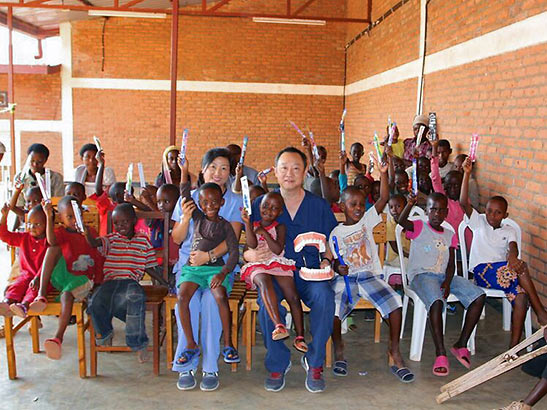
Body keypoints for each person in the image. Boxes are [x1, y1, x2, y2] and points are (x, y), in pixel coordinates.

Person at [248, 147, 337, 393]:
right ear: (275, 171)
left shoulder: (318, 205)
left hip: (308, 271)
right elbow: (244, 243)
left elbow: (331, 240)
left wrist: (327, 261)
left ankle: (315, 361)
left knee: (325, 297)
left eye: (296, 168)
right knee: (269, 302)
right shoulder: (260, 203)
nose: (289, 173)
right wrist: (251, 254)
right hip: (275, 272)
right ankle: (278, 362)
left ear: (305, 172)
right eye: (284, 167)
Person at [329, 159, 414, 383]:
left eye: (360, 204)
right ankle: (339, 349)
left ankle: (394, 352)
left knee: (396, 304)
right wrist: (338, 267)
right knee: (334, 310)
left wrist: (384, 173)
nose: (357, 208)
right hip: (346, 279)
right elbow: (333, 261)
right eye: (352, 204)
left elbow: (384, 198)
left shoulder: (367, 220)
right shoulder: (336, 233)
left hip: (369, 276)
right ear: (341, 206)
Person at [171, 147, 243, 392]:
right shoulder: (191, 199)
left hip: (218, 267)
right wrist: (184, 218)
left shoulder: (233, 201)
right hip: (188, 268)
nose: (218, 172)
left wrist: (208, 256)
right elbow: (177, 239)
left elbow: (232, 239)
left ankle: (210, 366)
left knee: (212, 303)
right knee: (188, 302)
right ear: (202, 170)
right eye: (213, 167)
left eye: (224, 168)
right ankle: (186, 364)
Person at [460, 158, 547, 347]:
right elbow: (463, 202)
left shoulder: (509, 229)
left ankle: (513, 348)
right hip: (482, 272)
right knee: (519, 268)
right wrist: (467, 174)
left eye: (497, 213)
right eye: (489, 211)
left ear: (505, 215)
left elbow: (513, 248)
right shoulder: (478, 223)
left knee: (521, 297)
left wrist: (513, 256)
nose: (492, 215)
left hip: (505, 273)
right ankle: (541, 312)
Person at [398, 192, 485, 376]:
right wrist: (409, 203)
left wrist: (447, 281)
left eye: (441, 211)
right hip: (422, 276)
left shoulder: (450, 234)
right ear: (426, 211)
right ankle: (440, 353)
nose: (437, 214)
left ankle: (461, 343)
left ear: (446, 213)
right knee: (436, 302)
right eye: (433, 209)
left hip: (445, 276)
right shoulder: (419, 226)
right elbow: (401, 221)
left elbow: (451, 263)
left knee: (478, 296)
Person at [30, 196, 103, 360]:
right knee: (53, 249)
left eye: (77, 214)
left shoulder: (89, 231)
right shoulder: (61, 233)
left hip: (83, 279)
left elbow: (98, 255)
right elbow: (51, 241)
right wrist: (49, 217)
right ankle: (41, 295)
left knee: (66, 296)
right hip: (65, 276)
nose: (74, 219)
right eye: (69, 216)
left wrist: (99, 282)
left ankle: (58, 337)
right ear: (61, 219)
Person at [86, 203, 160, 363]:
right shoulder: (111, 239)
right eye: (117, 223)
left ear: (133, 220)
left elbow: (150, 266)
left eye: (124, 222)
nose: (120, 226)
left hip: (130, 282)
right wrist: (86, 231)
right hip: (110, 282)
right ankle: (104, 332)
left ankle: (138, 344)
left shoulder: (143, 241)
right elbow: (93, 243)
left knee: (135, 298)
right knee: (94, 301)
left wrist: (163, 282)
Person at [241, 192, 306, 351]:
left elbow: (277, 249)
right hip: (258, 263)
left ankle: (299, 336)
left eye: (274, 208)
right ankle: (279, 325)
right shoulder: (254, 225)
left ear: (280, 212)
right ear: (259, 207)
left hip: (277, 262)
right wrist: (248, 224)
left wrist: (264, 233)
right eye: (265, 206)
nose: (268, 211)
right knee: (263, 280)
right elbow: (251, 245)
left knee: (293, 295)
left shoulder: (280, 227)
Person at [0, 204, 52, 318]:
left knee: (33, 289)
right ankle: (7, 303)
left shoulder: (50, 242)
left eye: (37, 224)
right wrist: (4, 217)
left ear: (47, 224)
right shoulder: (24, 237)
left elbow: (49, 265)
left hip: (43, 279)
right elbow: (4, 236)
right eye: (29, 223)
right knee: (17, 285)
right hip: (25, 275)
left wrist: (38, 278)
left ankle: (24, 305)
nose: (32, 227)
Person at [13, 143, 64, 208]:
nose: (35, 164)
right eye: (32, 161)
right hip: (25, 214)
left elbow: (57, 203)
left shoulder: (56, 178)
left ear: (45, 160)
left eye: (39, 161)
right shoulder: (20, 177)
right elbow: (18, 204)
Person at [431, 140, 464, 235]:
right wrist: (434, 147)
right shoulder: (443, 199)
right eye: (449, 186)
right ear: (444, 186)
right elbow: (435, 178)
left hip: (463, 244)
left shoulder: (464, 201)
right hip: (446, 243)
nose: (452, 189)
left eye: (456, 185)